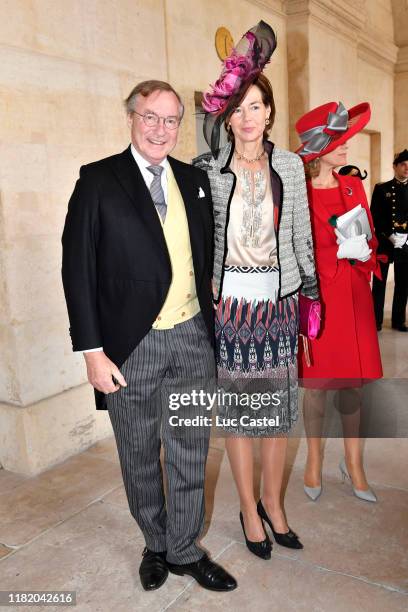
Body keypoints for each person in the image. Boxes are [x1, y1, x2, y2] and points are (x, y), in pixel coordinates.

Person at [61, 80, 236, 593]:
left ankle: (183, 549)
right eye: (150, 117)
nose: (161, 129)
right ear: (131, 118)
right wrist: (92, 352)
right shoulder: (97, 180)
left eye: (171, 119)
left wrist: (212, 301)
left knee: (188, 447)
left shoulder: (192, 180)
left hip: (189, 340)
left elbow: (202, 254)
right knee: (138, 452)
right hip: (128, 347)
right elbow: (78, 271)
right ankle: (154, 544)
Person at [194, 22, 318, 559]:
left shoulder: (290, 165)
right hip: (232, 313)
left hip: (280, 308)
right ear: (229, 116)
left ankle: (274, 501)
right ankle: (248, 508)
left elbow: (303, 238)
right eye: (238, 108)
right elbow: (201, 246)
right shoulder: (209, 171)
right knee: (241, 420)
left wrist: (310, 306)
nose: (247, 117)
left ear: (269, 112)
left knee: (276, 417)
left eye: (256, 107)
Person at [295, 101, 383, 503]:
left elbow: (369, 238)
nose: (348, 146)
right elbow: (293, 251)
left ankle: (354, 463)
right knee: (316, 387)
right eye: (341, 140)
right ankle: (313, 461)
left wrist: (365, 251)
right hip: (320, 301)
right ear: (319, 148)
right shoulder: (297, 191)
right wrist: (336, 254)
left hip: (355, 296)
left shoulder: (353, 185)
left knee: (353, 387)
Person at [371, 149, 408, 332]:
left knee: (403, 282)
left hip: (406, 244)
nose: (406, 168)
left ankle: (398, 320)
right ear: (395, 167)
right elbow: (374, 216)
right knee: (380, 281)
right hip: (385, 242)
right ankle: (376, 319)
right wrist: (389, 234)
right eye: (403, 164)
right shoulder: (381, 189)